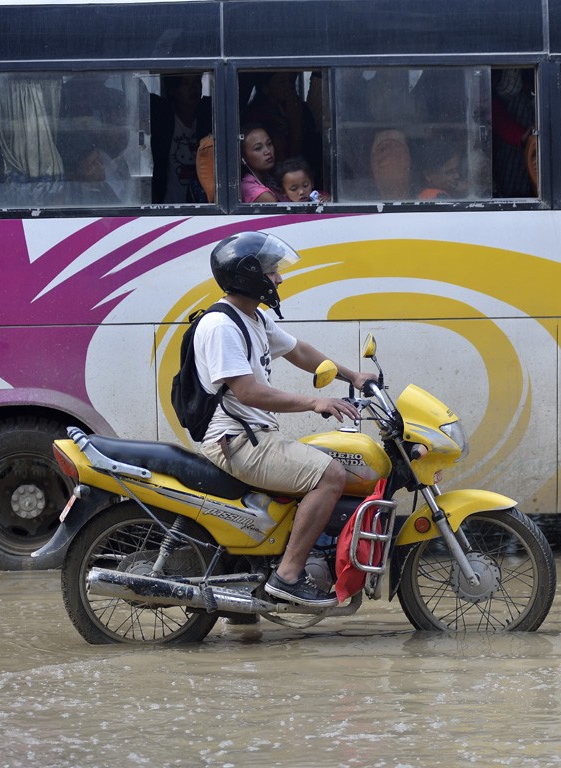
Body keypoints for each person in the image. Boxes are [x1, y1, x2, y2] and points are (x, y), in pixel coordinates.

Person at [194, 231, 376, 607]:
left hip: (254, 436)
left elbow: (301, 352)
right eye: (272, 271)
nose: (278, 279)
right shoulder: (221, 326)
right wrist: (314, 402)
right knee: (330, 475)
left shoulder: (253, 319)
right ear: (248, 275)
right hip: (236, 442)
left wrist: (354, 376)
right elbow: (248, 392)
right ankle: (289, 575)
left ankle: (256, 588)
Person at [151, 73, 213, 204]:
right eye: (185, 83)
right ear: (173, 91)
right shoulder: (163, 119)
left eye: (197, 81)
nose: (194, 89)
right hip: (169, 204)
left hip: (205, 205)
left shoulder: (208, 116)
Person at [239, 124, 286, 203]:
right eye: (258, 148)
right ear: (244, 158)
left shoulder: (271, 180)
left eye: (269, 144)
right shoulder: (248, 188)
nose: (268, 151)